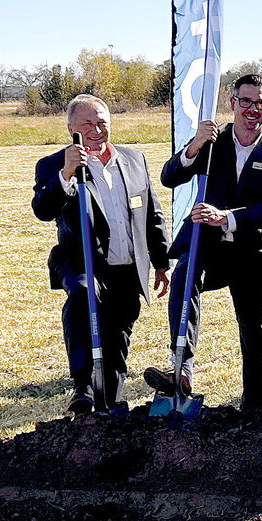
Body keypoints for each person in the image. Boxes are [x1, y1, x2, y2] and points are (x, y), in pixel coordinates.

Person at [144, 74, 262, 413]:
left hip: (255, 253)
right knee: (185, 276)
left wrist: (225, 216)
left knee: (255, 336)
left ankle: (255, 412)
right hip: (209, 247)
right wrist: (194, 145)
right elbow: (170, 176)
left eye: (260, 104)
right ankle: (181, 369)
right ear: (232, 103)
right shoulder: (212, 142)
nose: (252, 110)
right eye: (246, 102)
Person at [30, 94, 170, 414]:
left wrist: (161, 262)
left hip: (127, 266)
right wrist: (67, 173)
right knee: (84, 295)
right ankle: (82, 386)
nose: (96, 130)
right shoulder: (53, 164)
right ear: (71, 129)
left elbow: (152, 214)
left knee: (117, 338)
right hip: (81, 261)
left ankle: (110, 406)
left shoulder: (133, 160)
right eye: (87, 124)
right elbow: (43, 210)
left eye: (102, 122)